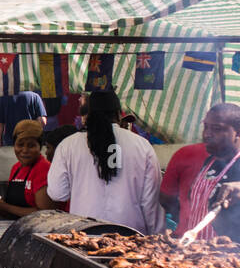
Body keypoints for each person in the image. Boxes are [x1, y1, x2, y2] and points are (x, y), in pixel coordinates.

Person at [159, 103, 240, 251]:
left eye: (216, 129)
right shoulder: (212, 160)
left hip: (223, 262)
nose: (207, 134)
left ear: (239, 133)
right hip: (190, 256)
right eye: (206, 127)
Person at [45, 90, 162, 235]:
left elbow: (58, 193)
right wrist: (158, 238)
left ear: (89, 114)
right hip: (131, 239)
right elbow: (150, 203)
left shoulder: (68, 145)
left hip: (84, 237)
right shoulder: (142, 146)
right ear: (119, 114)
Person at [0, 120, 51, 218]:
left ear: (40, 147)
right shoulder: (16, 168)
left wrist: (4, 206)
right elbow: (12, 210)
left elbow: (43, 213)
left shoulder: (44, 168)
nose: (25, 150)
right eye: (20, 145)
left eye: (31, 146)